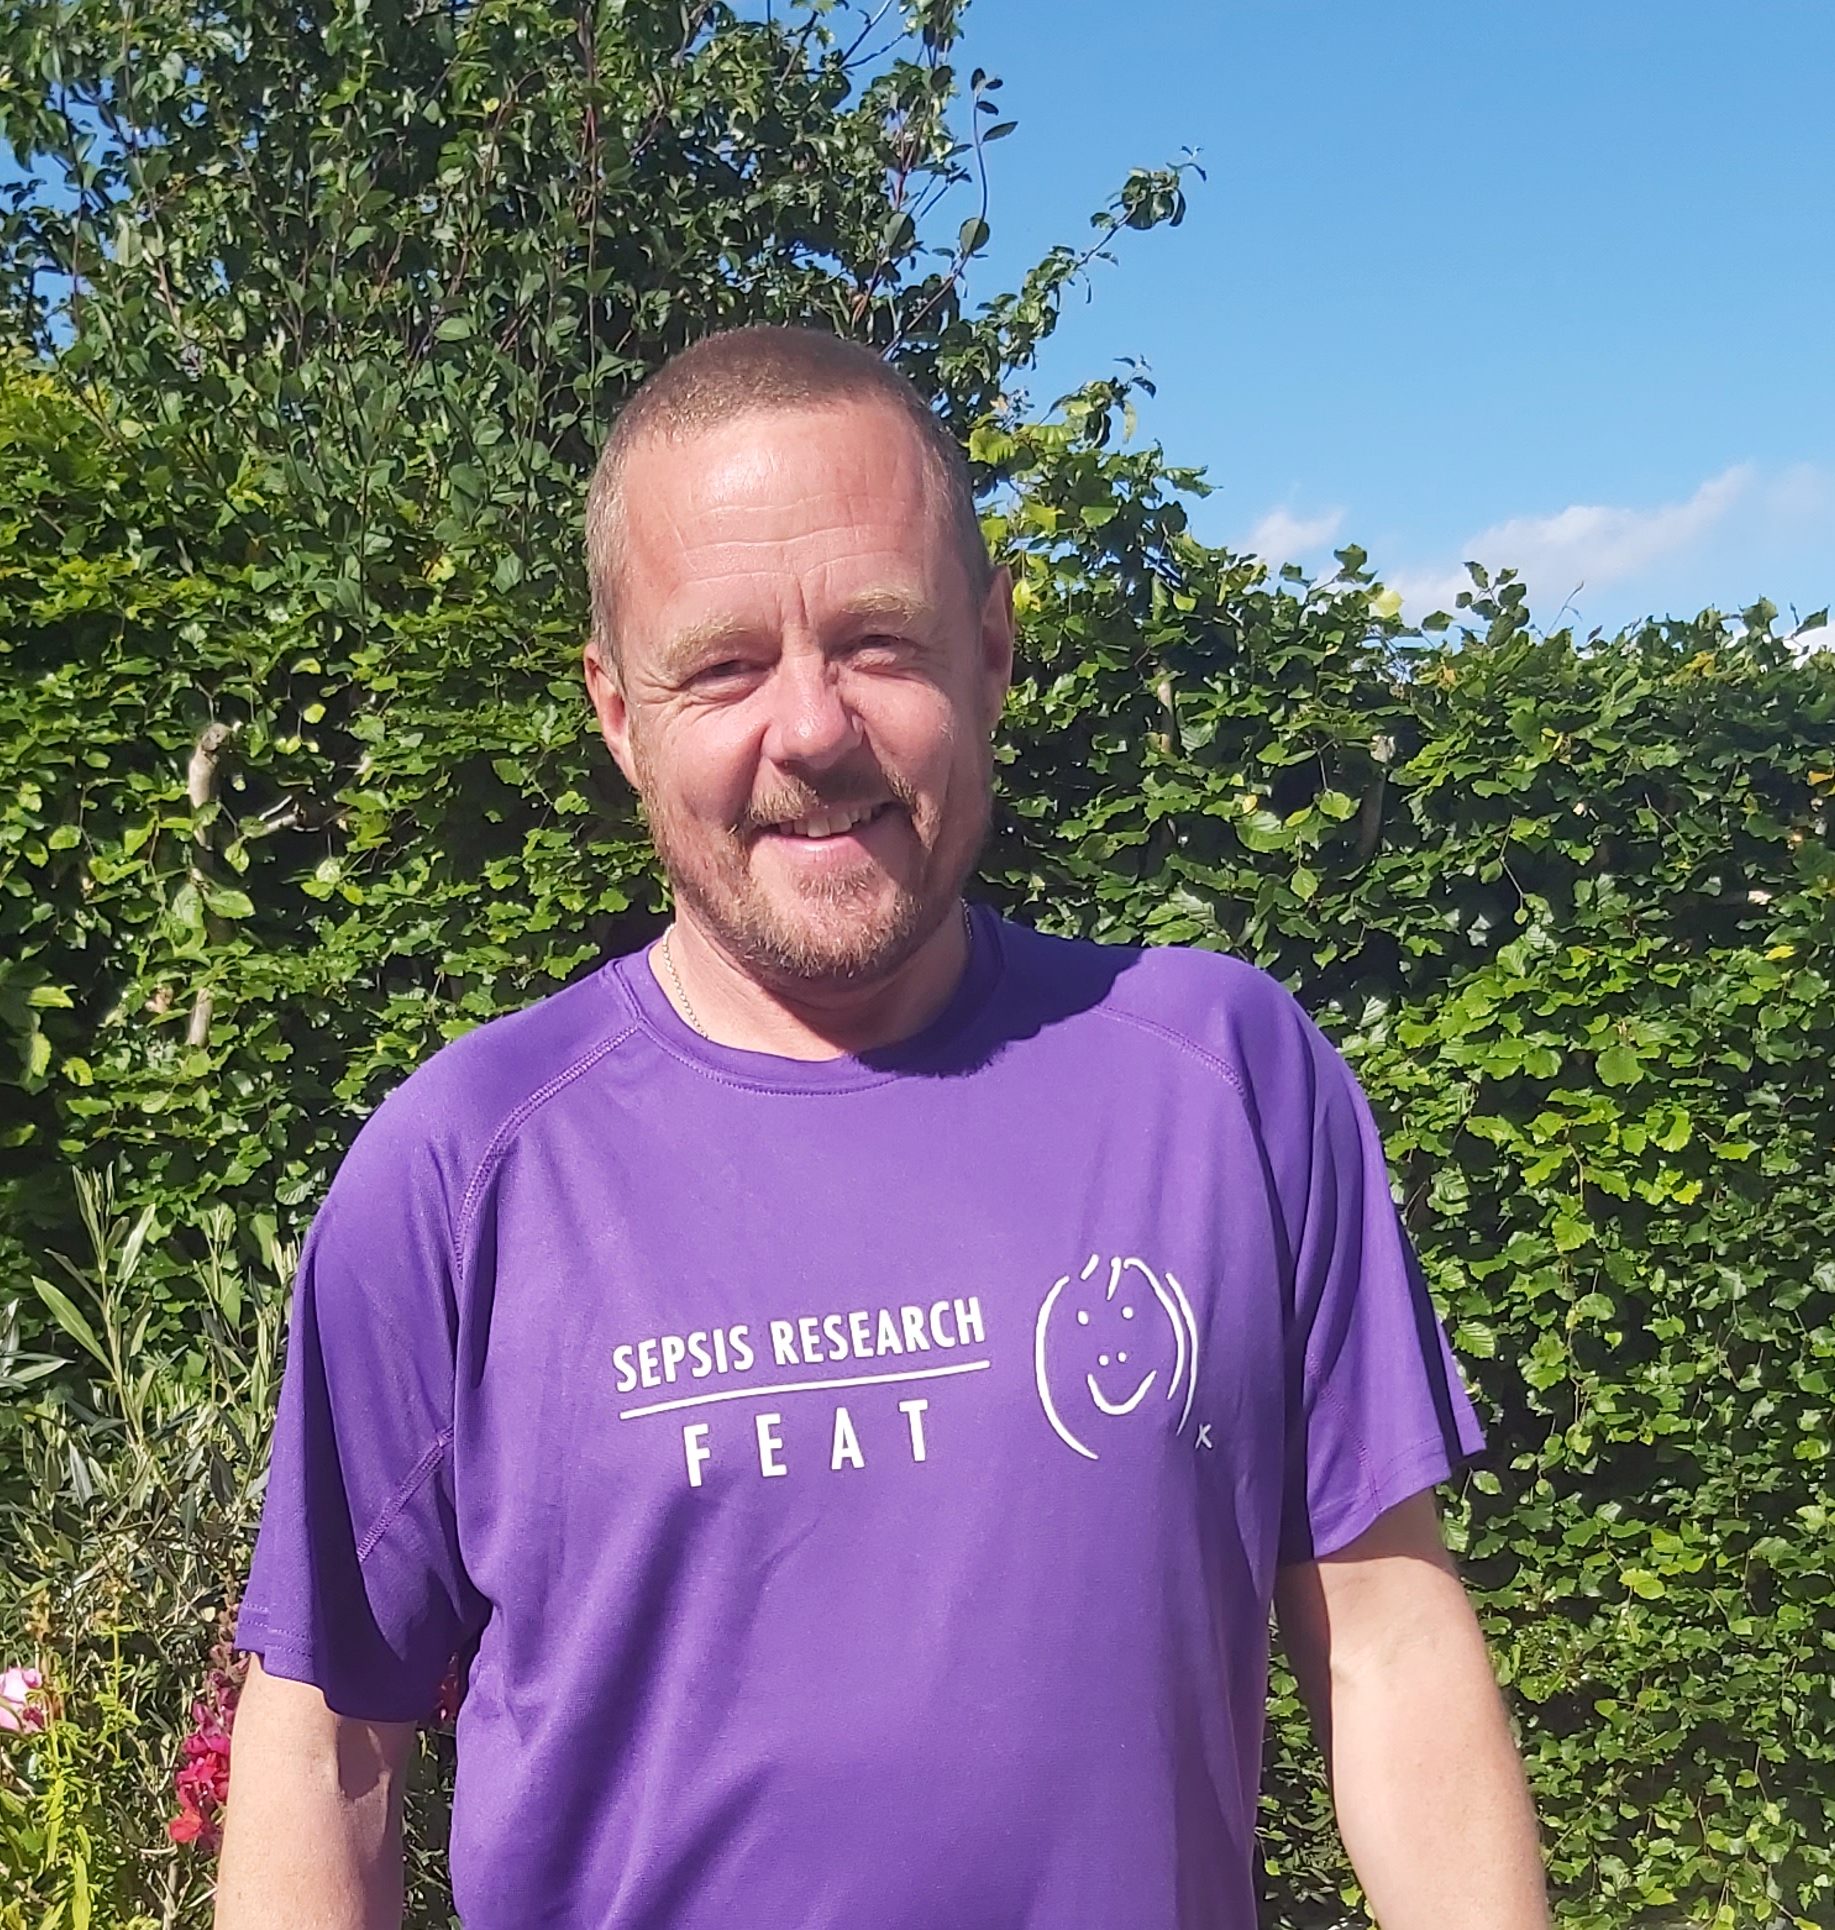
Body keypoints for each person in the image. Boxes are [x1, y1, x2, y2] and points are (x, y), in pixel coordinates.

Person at [218, 326, 1550, 1929]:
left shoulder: (1230, 1084)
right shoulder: (461, 1169)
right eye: (722, 665)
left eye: (878, 639)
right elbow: (327, 1744)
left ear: (991, 651)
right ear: (618, 712)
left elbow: (1393, 1648)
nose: (811, 727)